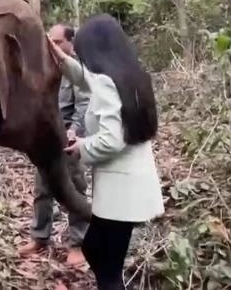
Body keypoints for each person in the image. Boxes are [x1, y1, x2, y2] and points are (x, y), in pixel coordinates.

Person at [46, 14, 164, 290]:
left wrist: (81, 147)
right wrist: (61, 59)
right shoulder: (130, 76)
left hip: (120, 193)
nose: (81, 57)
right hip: (133, 188)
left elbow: (112, 140)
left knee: (107, 267)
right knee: (96, 251)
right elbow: (87, 79)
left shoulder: (108, 82)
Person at [18, 24, 90, 267]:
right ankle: (40, 237)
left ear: (71, 43)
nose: (52, 46)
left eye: (58, 42)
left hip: (68, 138)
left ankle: (78, 243)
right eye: (50, 40)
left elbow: (84, 104)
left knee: (75, 188)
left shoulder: (77, 71)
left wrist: (74, 131)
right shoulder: (43, 67)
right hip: (45, 138)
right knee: (42, 189)